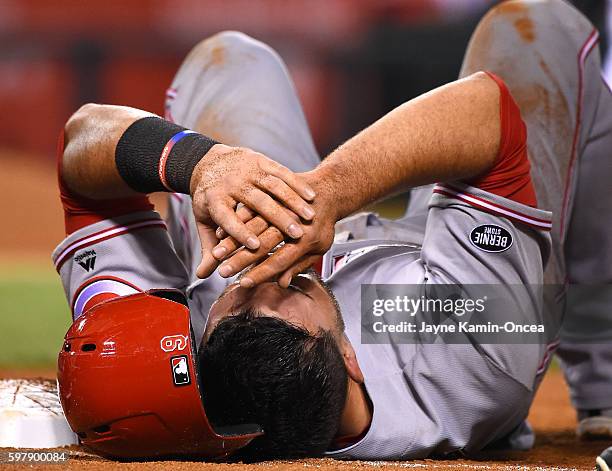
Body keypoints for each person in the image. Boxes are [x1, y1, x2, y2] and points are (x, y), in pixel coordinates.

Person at [53, 0, 611, 460]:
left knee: (230, 59)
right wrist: (330, 194)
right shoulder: (463, 356)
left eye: (236, 299)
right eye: (289, 288)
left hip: (331, 259)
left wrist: (201, 165)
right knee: (537, 26)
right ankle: (605, 370)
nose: (259, 274)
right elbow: (492, 113)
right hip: (455, 281)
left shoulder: (206, 362)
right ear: (350, 358)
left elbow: (82, 147)